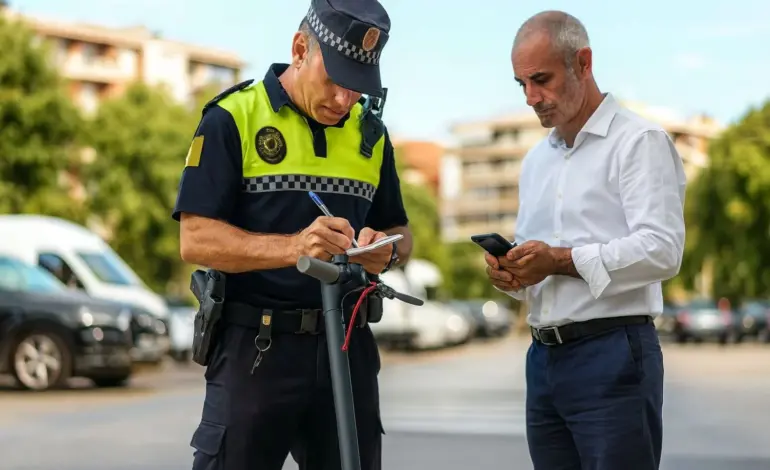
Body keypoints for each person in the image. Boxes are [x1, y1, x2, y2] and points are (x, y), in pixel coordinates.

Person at [171, 0, 412, 468]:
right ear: (300, 49)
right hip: (256, 349)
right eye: (335, 80)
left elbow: (400, 232)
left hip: (349, 346)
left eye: (357, 86)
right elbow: (195, 239)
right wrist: (294, 247)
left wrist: (384, 251)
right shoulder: (232, 117)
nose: (345, 99)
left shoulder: (372, 135)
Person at [484, 10, 686, 470]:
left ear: (584, 62)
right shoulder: (536, 161)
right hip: (543, 360)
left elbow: (662, 250)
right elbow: (541, 273)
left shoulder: (639, 141)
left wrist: (557, 260)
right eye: (522, 85)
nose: (532, 97)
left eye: (541, 79)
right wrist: (513, 274)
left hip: (613, 354)